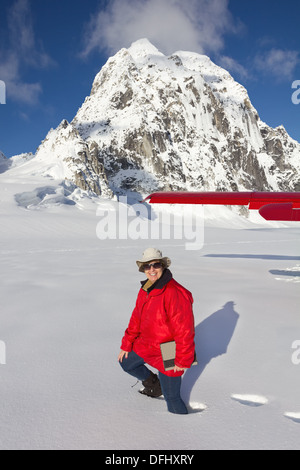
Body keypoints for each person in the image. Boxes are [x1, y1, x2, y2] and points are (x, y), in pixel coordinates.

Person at [118, 248, 195, 415]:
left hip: (168, 350)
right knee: (126, 362)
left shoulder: (175, 293)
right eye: (147, 266)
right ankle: (154, 385)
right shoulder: (146, 288)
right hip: (146, 343)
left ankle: (183, 428)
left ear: (163, 266)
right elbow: (136, 318)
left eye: (156, 265)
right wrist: (127, 344)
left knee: (172, 399)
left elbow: (184, 331)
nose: (151, 269)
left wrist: (181, 360)